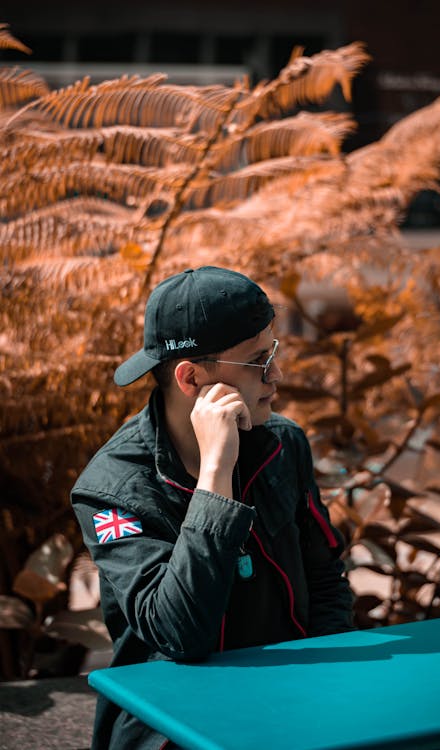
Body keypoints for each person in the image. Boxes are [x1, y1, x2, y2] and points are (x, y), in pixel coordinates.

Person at [72, 266, 354, 750]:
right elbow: (180, 635)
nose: (278, 377)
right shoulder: (110, 489)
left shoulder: (283, 444)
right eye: (259, 362)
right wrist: (215, 476)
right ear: (192, 378)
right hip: (171, 727)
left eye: (275, 354)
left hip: (293, 703)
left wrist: (323, 689)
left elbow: (326, 579)